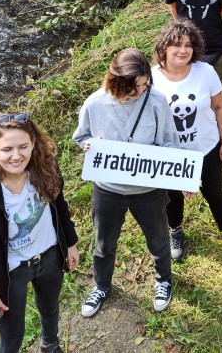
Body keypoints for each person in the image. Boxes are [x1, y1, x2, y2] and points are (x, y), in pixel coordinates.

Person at [73, 49, 181, 317]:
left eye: (145, 84)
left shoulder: (156, 102)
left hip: (149, 191)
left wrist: (176, 173)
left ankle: (163, 280)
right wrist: (87, 144)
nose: (142, 90)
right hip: (108, 189)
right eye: (135, 86)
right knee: (103, 242)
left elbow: (170, 142)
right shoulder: (95, 103)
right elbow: (81, 135)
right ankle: (101, 285)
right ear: (118, 81)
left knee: (157, 239)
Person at [0, 113, 80, 353]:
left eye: (23, 147)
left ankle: (50, 344)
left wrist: (70, 244)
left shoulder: (46, 170)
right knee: (12, 335)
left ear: (33, 144)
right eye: (7, 149)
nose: (16, 156)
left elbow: (61, 208)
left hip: (50, 257)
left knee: (50, 308)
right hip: (11, 272)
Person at [151, 19, 222, 263]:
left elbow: (220, 107)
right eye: (176, 45)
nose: (183, 50)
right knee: (172, 198)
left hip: (207, 149)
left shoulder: (205, 72)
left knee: (216, 194)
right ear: (164, 48)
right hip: (171, 155)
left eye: (188, 45)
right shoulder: (151, 80)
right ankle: (175, 231)